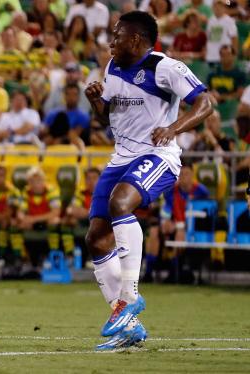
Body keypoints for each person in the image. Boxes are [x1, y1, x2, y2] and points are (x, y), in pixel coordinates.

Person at [84, 11, 213, 350]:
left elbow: (206, 102)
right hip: (121, 158)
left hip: (158, 156)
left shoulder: (165, 67)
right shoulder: (112, 68)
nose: (111, 41)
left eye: (117, 35)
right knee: (96, 238)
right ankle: (129, 327)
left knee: (120, 203)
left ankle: (129, 298)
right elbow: (108, 119)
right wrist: (97, 101)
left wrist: (174, 128)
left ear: (137, 40)